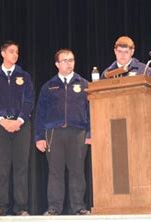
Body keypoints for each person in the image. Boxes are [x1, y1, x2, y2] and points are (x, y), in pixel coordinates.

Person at [35, 49, 91, 215]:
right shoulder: (48, 86)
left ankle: (79, 207)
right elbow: (40, 113)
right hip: (54, 133)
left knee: (77, 171)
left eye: (71, 60)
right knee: (55, 172)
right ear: (57, 64)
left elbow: (92, 111)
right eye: (64, 61)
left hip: (78, 133)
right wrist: (39, 137)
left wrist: (91, 133)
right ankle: (54, 208)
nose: (69, 63)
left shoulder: (84, 84)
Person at [0, 41, 35, 216]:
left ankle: (21, 207)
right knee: (2, 168)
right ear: (3, 53)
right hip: (0, 127)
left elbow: (29, 100)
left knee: (21, 167)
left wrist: (18, 120)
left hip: (22, 125)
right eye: (12, 51)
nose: (15, 55)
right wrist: (2, 120)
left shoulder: (24, 76)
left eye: (17, 52)